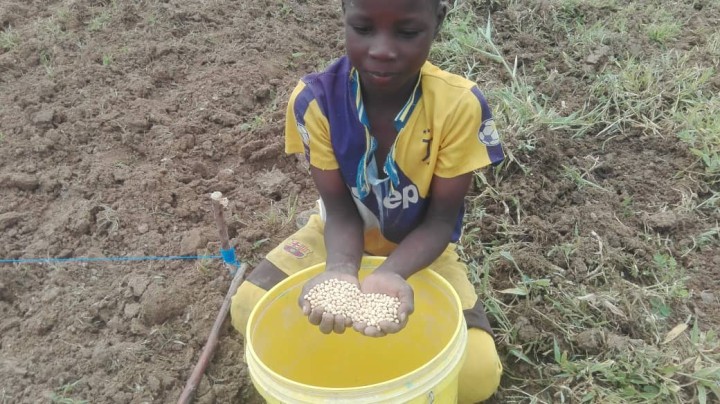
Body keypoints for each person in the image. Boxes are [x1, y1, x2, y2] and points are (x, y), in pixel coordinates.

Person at [231, 0, 505, 401]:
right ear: (344, 15)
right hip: (338, 236)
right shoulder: (316, 101)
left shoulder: (458, 106)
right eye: (362, 28)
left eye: (407, 32)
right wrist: (342, 269)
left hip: (420, 249)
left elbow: (439, 222)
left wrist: (391, 273)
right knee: (247, 306)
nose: (382, 49)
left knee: (479, 375)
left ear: (437, 21)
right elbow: (340, 211)